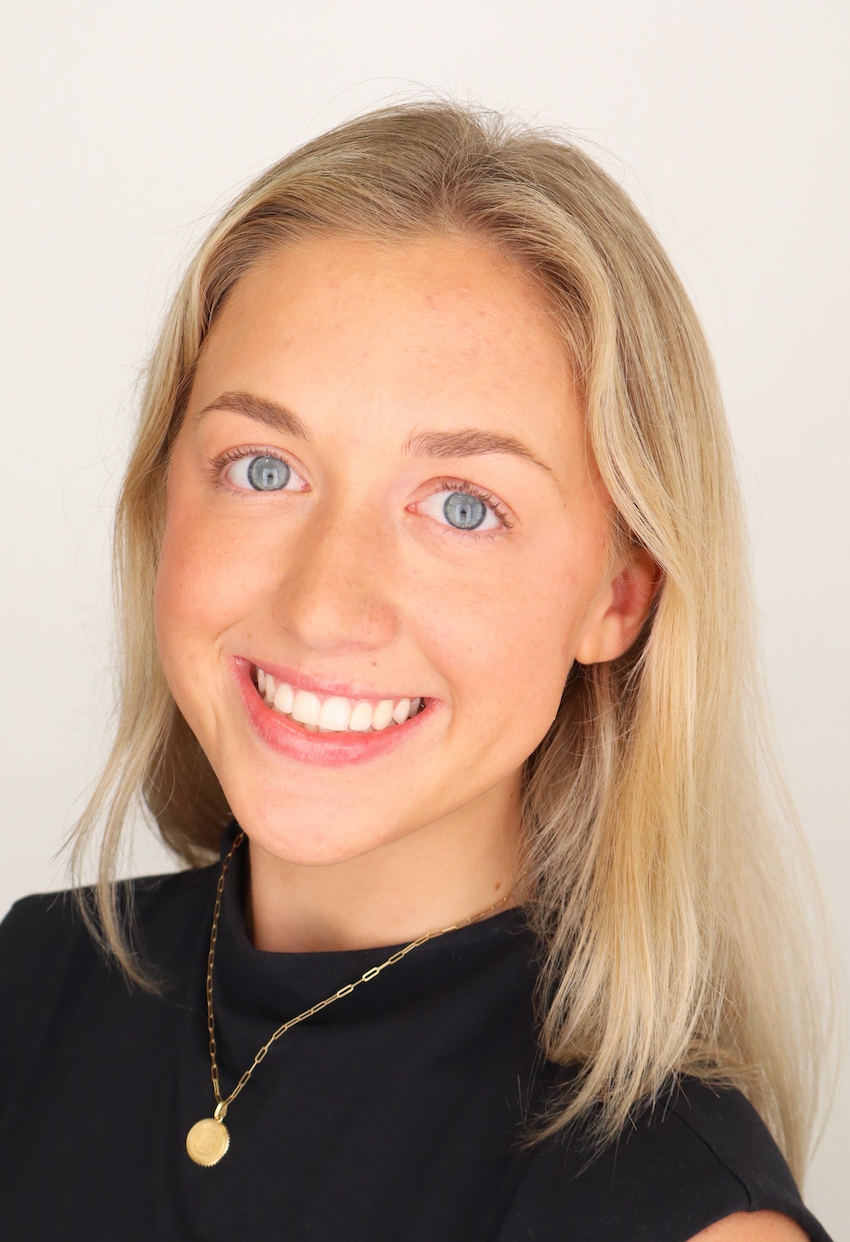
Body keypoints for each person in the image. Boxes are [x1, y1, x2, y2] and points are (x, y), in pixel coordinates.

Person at [0, 101, 833, 1241]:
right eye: (260, 468)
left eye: (461, 506)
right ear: (159, 499)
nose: (325, 603)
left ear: (617, 595)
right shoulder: (30, 983)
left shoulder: (680, 1213)